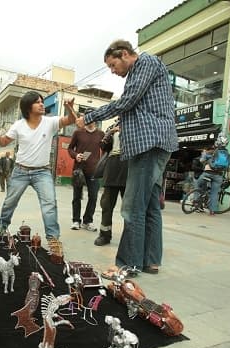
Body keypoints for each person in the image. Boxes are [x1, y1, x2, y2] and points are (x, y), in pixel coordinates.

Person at [76, 39, 178, 277]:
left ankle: (127, 265)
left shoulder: (146, 62)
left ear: (124, 54)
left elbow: (127, 101)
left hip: (149, 144)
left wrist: (92, 115)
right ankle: (151, 260)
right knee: (150, 205)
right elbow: (134, 105)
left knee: (132, 207)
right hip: (152, 144)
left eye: (113, 65)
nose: (113, 71)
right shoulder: (141, 71)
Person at [0, 90, 76, 241]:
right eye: (37, 102)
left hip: (42, 172)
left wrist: (69, 107)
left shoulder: (50, 122)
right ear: (28, 106)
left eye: (42, 101)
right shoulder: (18, 125)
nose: (42, 104)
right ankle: (1, 227)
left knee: (49, 205)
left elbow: (71, 120)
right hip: (20, 171)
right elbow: (3, 142)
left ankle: (53, 239)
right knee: (10, 201)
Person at [68, 111, 104, 232]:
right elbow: (70, 149)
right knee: (76, 197)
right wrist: (75, 155)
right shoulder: (78, 133)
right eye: (87, 117)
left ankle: (88, 221)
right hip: (79, 170)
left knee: (93, 197)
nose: (89, 119)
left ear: (95, 118)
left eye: (92, 117)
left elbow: (105, 150)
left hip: (94, 171)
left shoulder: (101, 134)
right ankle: (76, 221)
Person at [94, 122, 128, 246]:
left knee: (129, 208)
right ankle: (104, 235)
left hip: (129, 169)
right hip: (112, 169)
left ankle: (129, 238)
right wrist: (110, 132)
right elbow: (103, 146)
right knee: (106, 205)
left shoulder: (136, 124)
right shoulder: (112, 127)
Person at [195, 135, 230, 215]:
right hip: (219, 176)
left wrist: (204, 156)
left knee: (198, 184)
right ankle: (212, 211)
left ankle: (197, 202)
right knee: (214, 193)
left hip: (207, 173)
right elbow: (228, 167)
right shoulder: (227, 154)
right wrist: (229, 177)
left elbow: (201, 160)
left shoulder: (212, 151)